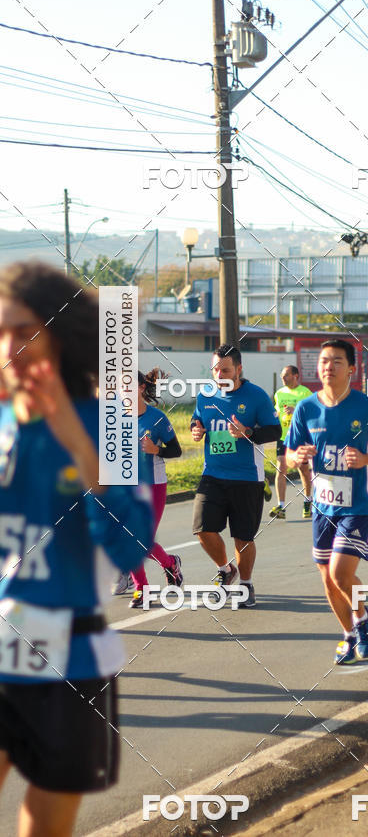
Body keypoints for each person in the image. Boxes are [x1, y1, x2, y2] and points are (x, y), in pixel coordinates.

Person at [0, 261, 153, 836]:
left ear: (58, 336)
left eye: (25, 330)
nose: (10, 345)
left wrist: (76, 442)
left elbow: (128, 548)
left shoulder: (104, 425)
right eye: (1, 331)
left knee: (44, 827)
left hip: (68, 660)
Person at [285, 339, 368, 665]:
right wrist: (298, 457)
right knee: (327, 578)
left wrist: (365, 458)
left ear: (351, 368)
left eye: (336, 361)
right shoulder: (307, 408)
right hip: (322, 505)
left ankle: (362, 619)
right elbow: (290, 454)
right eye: (323, 361)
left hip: (356, 505)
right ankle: (349, 635)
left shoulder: (366, 407)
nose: (328, 367)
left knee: (338, 572)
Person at [191, 345, 281, 608]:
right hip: (213, 474)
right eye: (216, 369)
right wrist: (195, 429)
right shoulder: (205, 395)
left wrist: (248, 433)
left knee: (242, 537)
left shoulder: (257, 396)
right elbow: (198, 421)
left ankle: (246, 583)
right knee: (202, 528)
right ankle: (226, 568)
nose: (219, 374)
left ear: (239, 369)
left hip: (247, 477)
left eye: (226, 370)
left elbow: (274, 431)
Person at [125, 370, 184, 609]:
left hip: (154, 485)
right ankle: (142, 588)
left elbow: (176, 450)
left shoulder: (157, 418)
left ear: (141, 387)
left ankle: (170, 564)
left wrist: (156, 450)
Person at [269, 365, 312, 520]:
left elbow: (313, 414)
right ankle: (281, 506)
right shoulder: (279, 394)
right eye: (282, 375)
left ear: (295, 376)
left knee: (303, 470)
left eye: (286, 375)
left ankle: (308, 500)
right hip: (283, 437)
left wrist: (297, 411)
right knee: (281, 467)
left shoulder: (305, 393)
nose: (283, 378)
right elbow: (277, 410)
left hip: (300, 437)